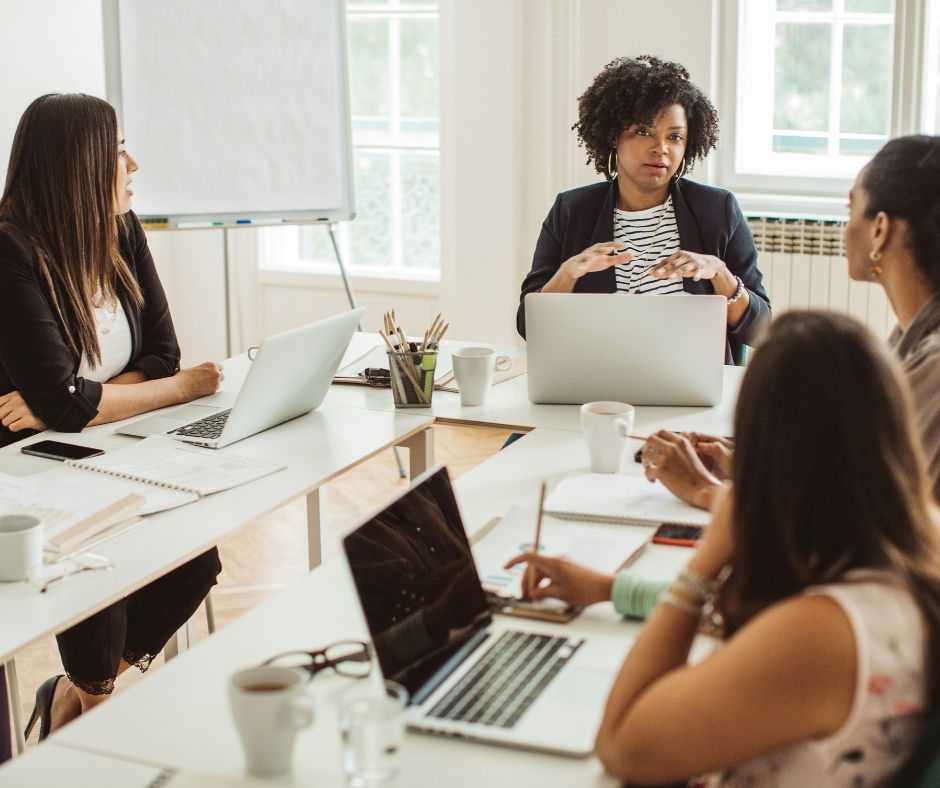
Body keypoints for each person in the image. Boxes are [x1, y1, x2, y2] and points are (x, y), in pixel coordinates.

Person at [512, 310, 940, 785]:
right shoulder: (914, 542)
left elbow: (621, 745)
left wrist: (707, 557)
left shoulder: (824, 634)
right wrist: (611, 589)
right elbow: (763, 625)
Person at [0, 93, 223, 738]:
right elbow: (78, 400)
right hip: (26, 470)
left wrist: (84, 402)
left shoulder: (120, 229)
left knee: (196, 561)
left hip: (112, 443)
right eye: (118, 149)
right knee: (99, 565)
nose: (133, 163)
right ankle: (95, 725)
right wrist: (179, 390)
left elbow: (161, 353)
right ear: (76, 165)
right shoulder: (9, 251)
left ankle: (69, 700)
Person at [642, 134, 940, 511]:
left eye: (851, 209)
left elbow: (876, 519)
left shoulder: (933, 366)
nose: (846, 228)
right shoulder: (909, 334)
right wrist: (750, 469)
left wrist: (703, 489)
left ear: (880, 229)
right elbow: (863, 473)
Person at [516, 55, 771, 364]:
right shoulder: (571, 211)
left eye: (674, 137)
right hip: (598, 379)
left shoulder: (717, 210)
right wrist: (568, 273)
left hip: (690, 380)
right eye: (643, 132)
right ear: (614, 136)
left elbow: (761, 330)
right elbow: (529, 327)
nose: (660, 148)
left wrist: (720, 273)